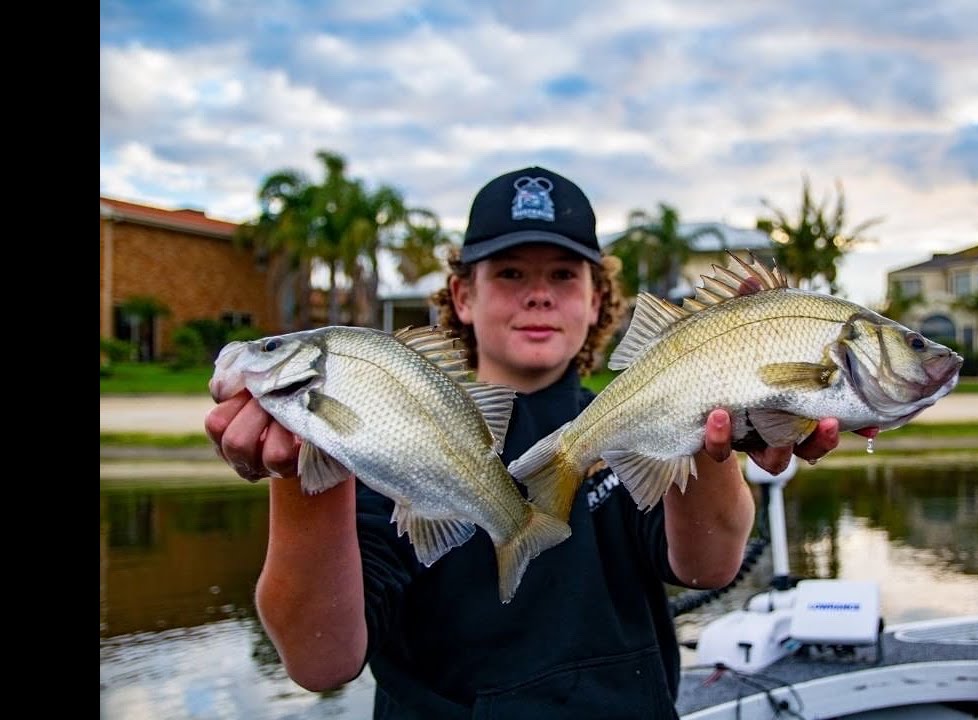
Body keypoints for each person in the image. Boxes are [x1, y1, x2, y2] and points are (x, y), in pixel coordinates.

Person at [205, 166, 841, 719]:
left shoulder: (624, 424)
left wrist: (714, 387)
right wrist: (304, 467)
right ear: (462, 294)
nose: (538, 293)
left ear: (598, 301)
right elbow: (320, 662)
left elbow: (708, 567)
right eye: (509, 272)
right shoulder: (384, 434)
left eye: (564, 274)